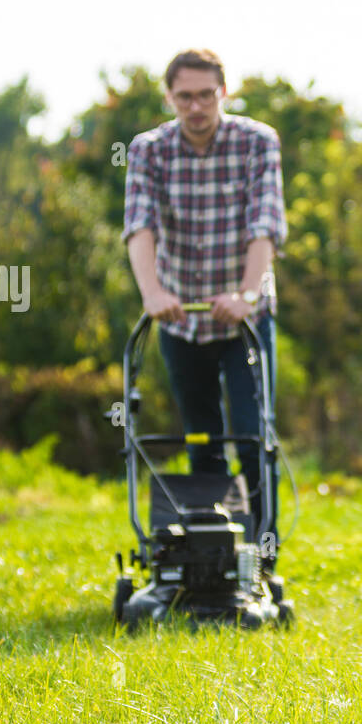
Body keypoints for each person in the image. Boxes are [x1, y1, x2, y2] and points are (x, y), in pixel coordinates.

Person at [122, 48, 288, 578]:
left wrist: (244, 296)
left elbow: (265, 227)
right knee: (201, 435)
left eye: (205, 94)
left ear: (224, 91)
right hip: (179, 315)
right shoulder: (149, 150)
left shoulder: (257, 142)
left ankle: (260, 559)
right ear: (169, 98)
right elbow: (139, 226)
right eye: (184, 96)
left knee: (251, 434)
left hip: (245, 319)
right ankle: (211, 554)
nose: (195, 106)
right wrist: (152, 293)